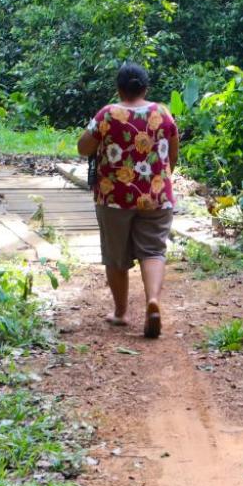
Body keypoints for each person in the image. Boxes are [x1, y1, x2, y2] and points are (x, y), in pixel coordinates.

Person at [78, 61, 178, 339]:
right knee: (154, 251)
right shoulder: (162, 113)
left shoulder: (107, 114)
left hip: (114, 198)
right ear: (146, 87)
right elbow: (173, 156)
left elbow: (83, 147)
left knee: (116, 257)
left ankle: (121, 312)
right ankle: (152, 301)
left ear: (119, 89)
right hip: (156, 196)